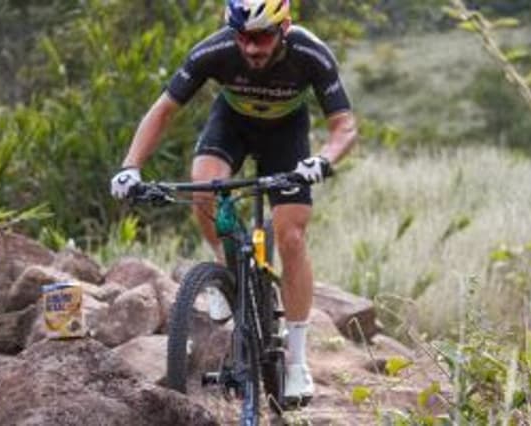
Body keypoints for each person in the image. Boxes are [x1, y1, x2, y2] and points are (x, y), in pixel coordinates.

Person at [111, 0, 356, 402]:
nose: (251, 48)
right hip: (231, 124)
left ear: (285, 27)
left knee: (290, 235)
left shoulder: (311, 53)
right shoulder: (215, 50)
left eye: (260, 37)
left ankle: (296, 363)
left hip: (286, 135)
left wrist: (322, 160)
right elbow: (163, 110)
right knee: (203, 187)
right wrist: (130, 167)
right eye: (243, 37)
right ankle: (227, 273)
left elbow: (345, 127)